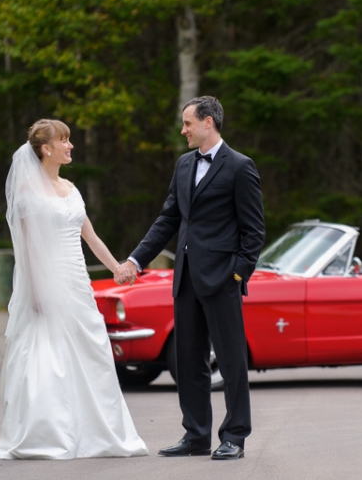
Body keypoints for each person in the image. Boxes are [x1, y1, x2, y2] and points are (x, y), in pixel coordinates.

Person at [115, 96, 265, 460]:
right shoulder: (183, 165)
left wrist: (237, 274)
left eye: (187, 123)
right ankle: (196, 435)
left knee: (230, 361)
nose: (183, 130)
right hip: (185, 280)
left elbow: (254, 231)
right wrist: (136, 259)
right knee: (188, 360)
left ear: (208, 122)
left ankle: (234, 437)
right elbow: (168, 220)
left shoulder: (240, 167)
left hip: (222, 280)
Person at [0, 119, 148, 460]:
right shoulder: (27, 193)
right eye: (64, 141)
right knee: (48, 356)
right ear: (46, 148)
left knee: (90, 350)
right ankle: (48, 431)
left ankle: (96, 431)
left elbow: (89, 236)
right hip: (46, 281)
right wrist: (35, 292)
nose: (70, 146)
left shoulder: (71, 188)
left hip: (78, 281)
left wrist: (117, 268)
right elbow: (28, 248)